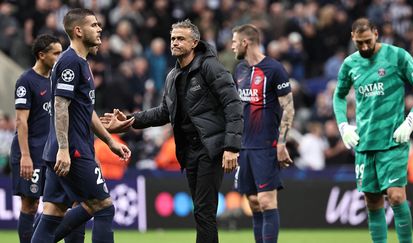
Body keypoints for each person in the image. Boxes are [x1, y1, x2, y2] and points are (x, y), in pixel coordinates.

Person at [102, 19, 243, 243]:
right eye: (173, 39)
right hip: (189, 151)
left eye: (180, 39)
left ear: (194, 42)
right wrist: (129, 120)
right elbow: (163, 113)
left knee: (204, 211)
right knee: (201, 210)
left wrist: (232, 147)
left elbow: (234, 104)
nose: (175, 43)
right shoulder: (172, 76)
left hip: (209, 147)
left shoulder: (210, 66)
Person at [31, 8, 132, 243]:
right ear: (78, 31)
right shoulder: (70, 62)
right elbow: (60, 105)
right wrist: (65, 149)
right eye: (94, 25)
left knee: (53, 214)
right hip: (72, 149)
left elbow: (86, 110)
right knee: (103, 207)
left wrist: (109, 141)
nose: (99, 29)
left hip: (65, 148)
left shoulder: (81, 63)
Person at [333, 18, 413, 243]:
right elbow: (339, 95)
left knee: (396, 196)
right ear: (352, 38)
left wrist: (411, 119)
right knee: (372, 201)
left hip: (393, 139)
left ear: (376, 33)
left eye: (368, 41)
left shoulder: (397, 56)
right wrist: (343, 125)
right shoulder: (350, 64)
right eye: (360, 43)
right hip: (365, 142)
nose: (365, 47)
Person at [231, 24, 294, 243]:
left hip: (266, 145)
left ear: (244, 42)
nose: (231, 47)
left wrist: (281, 142)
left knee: (267, 201)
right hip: (244, 147)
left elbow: (289, 107)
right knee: (254, 203)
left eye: (234, 42)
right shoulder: (239, 70)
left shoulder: (274, 69)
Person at [9, 34, 62, 243]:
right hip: (30, 152)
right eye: (55, 53)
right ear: (42, 55)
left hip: (51, 153)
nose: (59, 57)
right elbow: (21, 122)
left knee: (55, 205)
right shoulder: (26, 81)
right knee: (30, 204)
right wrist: (25, 156)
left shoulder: (56, 81)